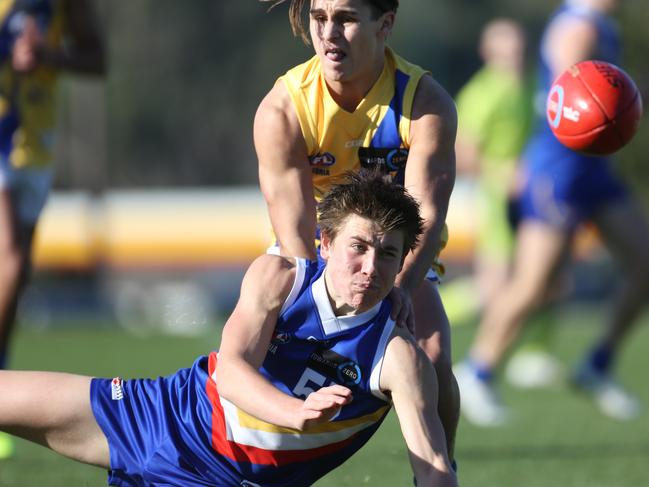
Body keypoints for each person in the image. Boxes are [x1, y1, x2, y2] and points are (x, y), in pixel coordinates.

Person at [0, 173, 458, 486]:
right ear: (326, 242)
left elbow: (434, 466)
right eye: (358, 247)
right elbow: (231, 373)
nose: (370, 268)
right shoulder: (280, 277)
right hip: (157, 413)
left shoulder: (396, 357)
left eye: (388, 255)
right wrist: (296, 413)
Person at [255, 0, 459, 459]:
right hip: (317, 249)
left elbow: (426, 213)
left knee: (432, 351)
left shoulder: (423, 102)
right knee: (262, 346)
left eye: (346, 19)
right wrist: (318, 295)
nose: (329, 34)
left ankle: (438, 471)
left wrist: (400, 289)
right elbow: (295, 234)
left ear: (385, 24)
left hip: (397, 253)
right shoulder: (283, 109)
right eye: (319, 18)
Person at [455, 0, 649, 426]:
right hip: (559, 171)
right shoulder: (576, 28)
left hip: (596, 170)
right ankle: (476, 371)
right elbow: (579, 95)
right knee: (534, 284)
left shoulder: (601, 26)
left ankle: (596, 365)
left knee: (644, 262)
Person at [0, 0, 105, 458]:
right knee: (11, 260)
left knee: (16, 277)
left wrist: (49, 57)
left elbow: (97, 59)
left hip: (36, 147)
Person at [450, 18, 562, 389]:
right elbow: (463, 154)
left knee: (548, 278)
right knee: (496, 289)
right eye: (503, 47)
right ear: (488, 52)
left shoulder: (535, 85)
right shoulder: (482, 94)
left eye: (516, 45)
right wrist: (503, 173)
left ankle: (533, 355)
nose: (512, 53)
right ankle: (447, 330)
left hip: (539, 194)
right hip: (499, 202)